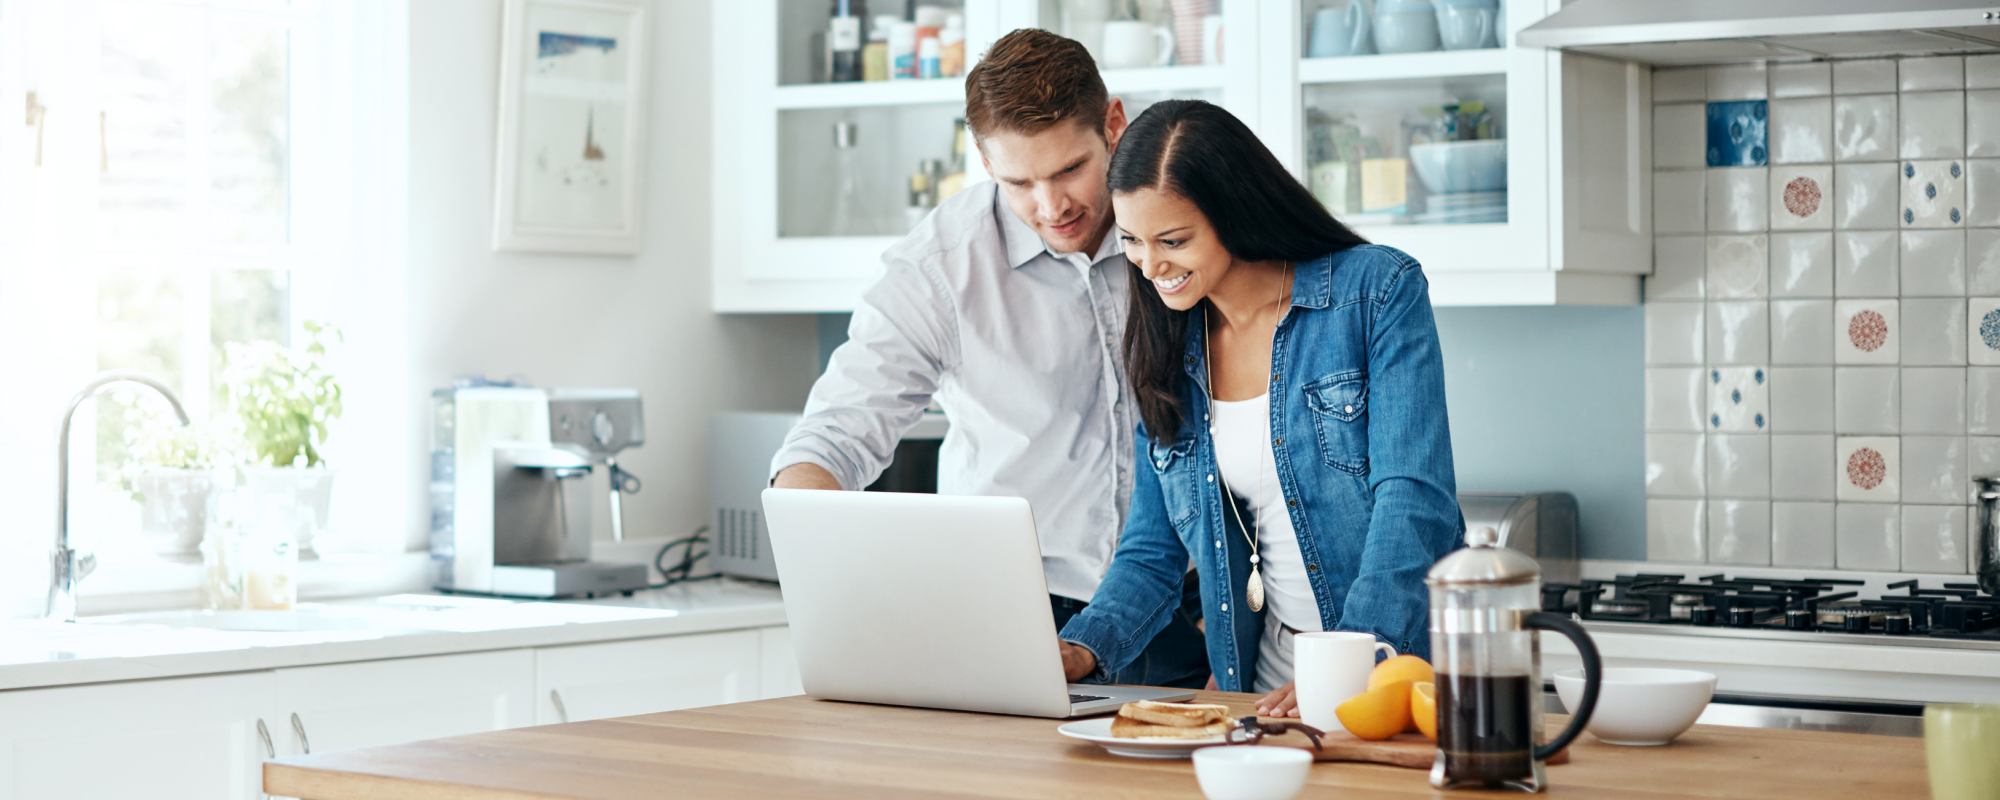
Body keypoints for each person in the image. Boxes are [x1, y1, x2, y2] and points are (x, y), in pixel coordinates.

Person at [768, 30, 1208, 689]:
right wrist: (827, 578)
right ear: (981, 157)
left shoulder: (1179, 231)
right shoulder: (941, 268)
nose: (1050, 206)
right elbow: (834, 437)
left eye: (1068, 170)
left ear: (1113, 124)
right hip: (1022, 614)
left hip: (1194, 605)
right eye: (1018, 182)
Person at [1054, 99, 1463, 715]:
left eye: (1174, 240)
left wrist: (1349, 665)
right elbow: (1151, 550)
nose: (1150, 265)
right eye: (1133, 240)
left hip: (1390, 682)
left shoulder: (1374, 293)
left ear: (1234, 211)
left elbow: (1414, 500)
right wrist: (1079, 649)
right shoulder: (1166, 347)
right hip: (1260, 700)